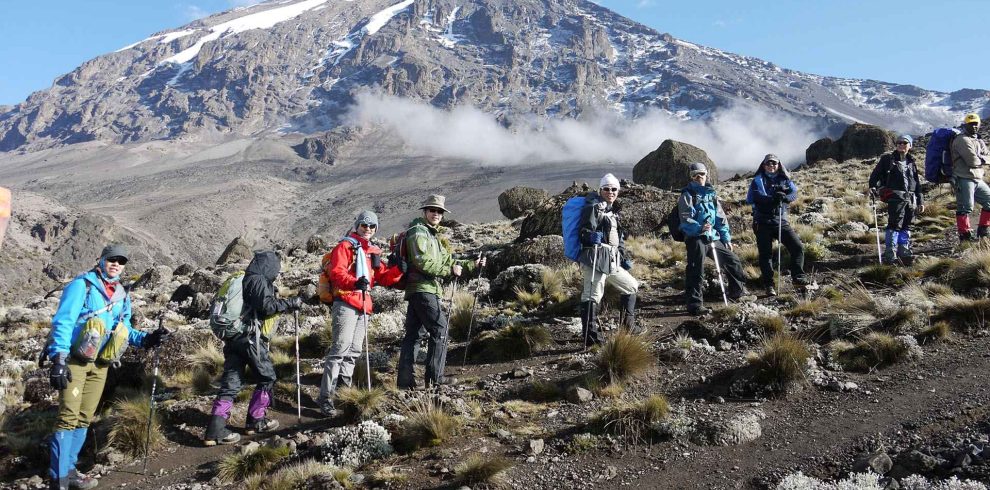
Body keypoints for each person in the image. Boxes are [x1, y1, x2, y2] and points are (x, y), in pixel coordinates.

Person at [46, 244, 169, 490]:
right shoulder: (82, 286)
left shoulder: (122, 294)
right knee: (68, 417)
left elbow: (124, 329)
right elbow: (63, 321)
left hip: (100, 364)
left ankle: (69, 471)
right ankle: (57, 479)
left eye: (121, 261)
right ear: (101, 260)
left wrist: (148, 339)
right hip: (75, 361)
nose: (116, 264)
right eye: (112, 259)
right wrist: (58, 358)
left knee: (84, 417)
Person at [203, 251, 303, 446]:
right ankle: (256, 421)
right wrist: (290, 303)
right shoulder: (257, 280)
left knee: (231, 383)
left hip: (232, 338)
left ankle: (215, 431)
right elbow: (267, 306)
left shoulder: (243, 278)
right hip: (250, 338)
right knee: (267, 377)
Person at [316, 211, 403, 416]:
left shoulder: (372, 251)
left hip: (364, 304)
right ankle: (325, 398)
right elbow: (337, 273)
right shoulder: (345, 247)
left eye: (372, 226)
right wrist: (355, 282)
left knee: (354, 351)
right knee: (339, 350)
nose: (368, 229)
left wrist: (399, 269)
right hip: (346, 301)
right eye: (364, 225)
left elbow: (383, 276)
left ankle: (343, 394)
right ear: (357, 226)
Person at [396, 195, 485, 390]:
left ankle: (405, 383)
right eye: (432, 210)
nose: (436, 214)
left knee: (414, 335)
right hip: (423, 289)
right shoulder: (418, 232)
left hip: (422, 289)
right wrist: (449, 271)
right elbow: (422, 262)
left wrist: (472, 264)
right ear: (425, 211)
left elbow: (448, 261)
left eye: (439, 211)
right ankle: (435, 378)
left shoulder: (433, 235)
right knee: (440, 329)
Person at [678, 162, 750, 316]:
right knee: (696, 269)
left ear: (706, 175)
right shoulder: (687, 195)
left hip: (712, 236)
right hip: (695, 238)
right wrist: (700, 228)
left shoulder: (711, 194)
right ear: (691, 177)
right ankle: (695, 305)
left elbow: (720, 218)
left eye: (702, 174)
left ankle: (737, 292)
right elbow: (685, 220)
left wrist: (726, 238)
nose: (699, 177)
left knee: (732, 260)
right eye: (695, 175)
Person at [577, 173, 641, 344]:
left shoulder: (613, 211)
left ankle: (628, 326)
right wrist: (590, 236)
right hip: (596, 259)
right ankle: (590, 337)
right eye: (606, 189)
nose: (610, 192)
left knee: (631, 286)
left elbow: (618, 238)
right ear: (600, 190)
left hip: (612, 259)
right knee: (592, 295)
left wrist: (623, 257)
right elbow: (583, 232)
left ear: (618, 191)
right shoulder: (593, 207)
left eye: (614, 189)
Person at [747, 153, 808, 295]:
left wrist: (785, 198)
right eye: (768, 163)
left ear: (778, 165)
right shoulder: (758, 180)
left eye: (774, 163)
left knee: (797, 247)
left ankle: (798, 277)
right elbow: (756, 197)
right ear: (764, 166)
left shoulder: (784, 179)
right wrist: (774, 198)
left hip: (780, 220)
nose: (771, 166)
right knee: (765, 255)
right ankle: (769, 285)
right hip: (762, 222)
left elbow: (794, 193)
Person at [868, 135, 925, 264]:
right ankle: (891, 253)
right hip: (895, 197)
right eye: (899, 142)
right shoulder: (887, 159)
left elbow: (917, 183)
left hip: (911, 198)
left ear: (910, 146)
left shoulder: (912, 162)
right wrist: (872, 187)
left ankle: (903, 250)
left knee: (907, 224)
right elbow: (875, 175)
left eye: (904, 143)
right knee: (894, 224)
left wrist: (920, 201)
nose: (901, 145)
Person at [951, 113, 990, 241]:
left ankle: (983, 230)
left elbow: (988, 156)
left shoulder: (978, 139)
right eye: (970, 124)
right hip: (963, 177)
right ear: (965, 125)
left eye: (975, 124)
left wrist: (981, 158)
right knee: (965, 206)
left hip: (977, 178)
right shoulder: (962, 140)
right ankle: (965, 235)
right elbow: (972, 161)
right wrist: (983, 159)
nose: (973, 126)